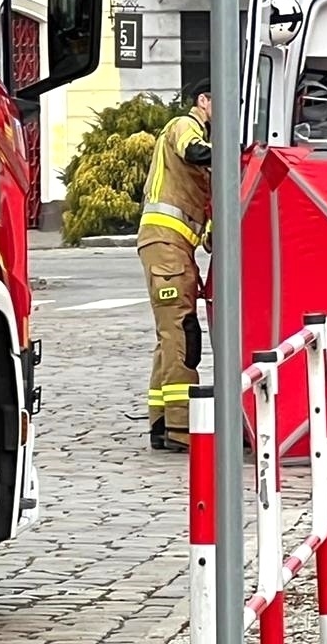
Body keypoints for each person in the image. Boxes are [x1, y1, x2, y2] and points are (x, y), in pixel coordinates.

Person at [137, 79, 213, 452]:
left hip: (174, 247)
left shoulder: (201, 167)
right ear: (204, 100)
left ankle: (161, 421)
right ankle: (182, 428)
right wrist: (232, 153)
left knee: (169, 336)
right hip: (165, 243)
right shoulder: (185, 125)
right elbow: (194, 150)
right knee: (182, 333)